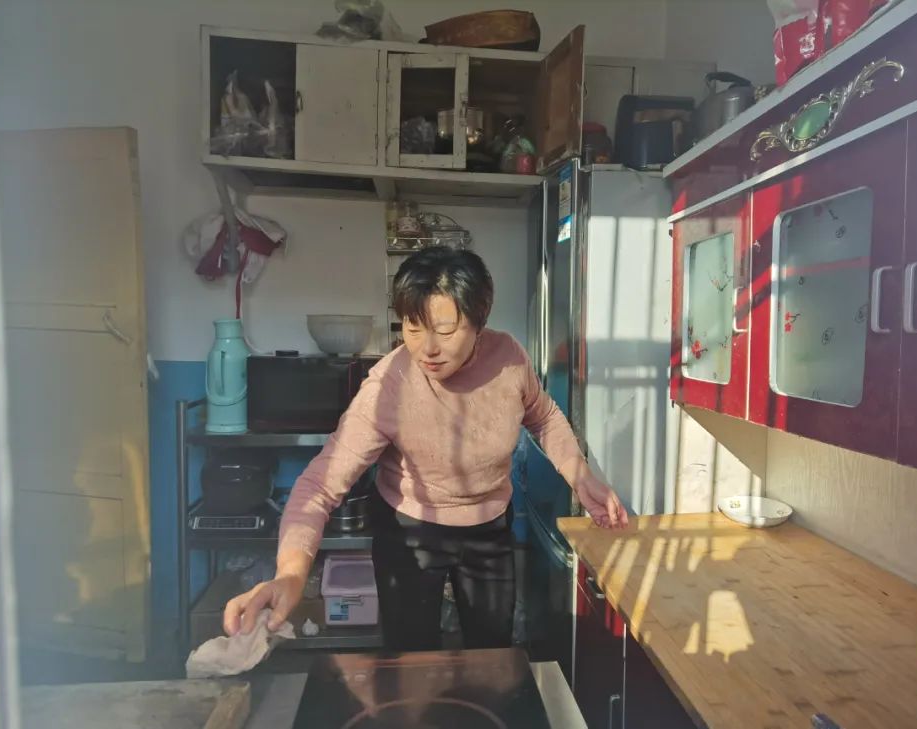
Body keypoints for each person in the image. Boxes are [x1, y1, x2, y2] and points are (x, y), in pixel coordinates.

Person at [223, 246, 628, 650]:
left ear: (479, 321)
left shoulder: (509, 358)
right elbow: (319, 485)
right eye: (413, 328)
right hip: (409, 531)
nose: (427, 349)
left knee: (491, 652)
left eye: (446, 330)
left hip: (489, 528)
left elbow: (544, 416)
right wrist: (291, 573)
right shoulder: (389, 385)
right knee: (411, 658)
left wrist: (580, 475)